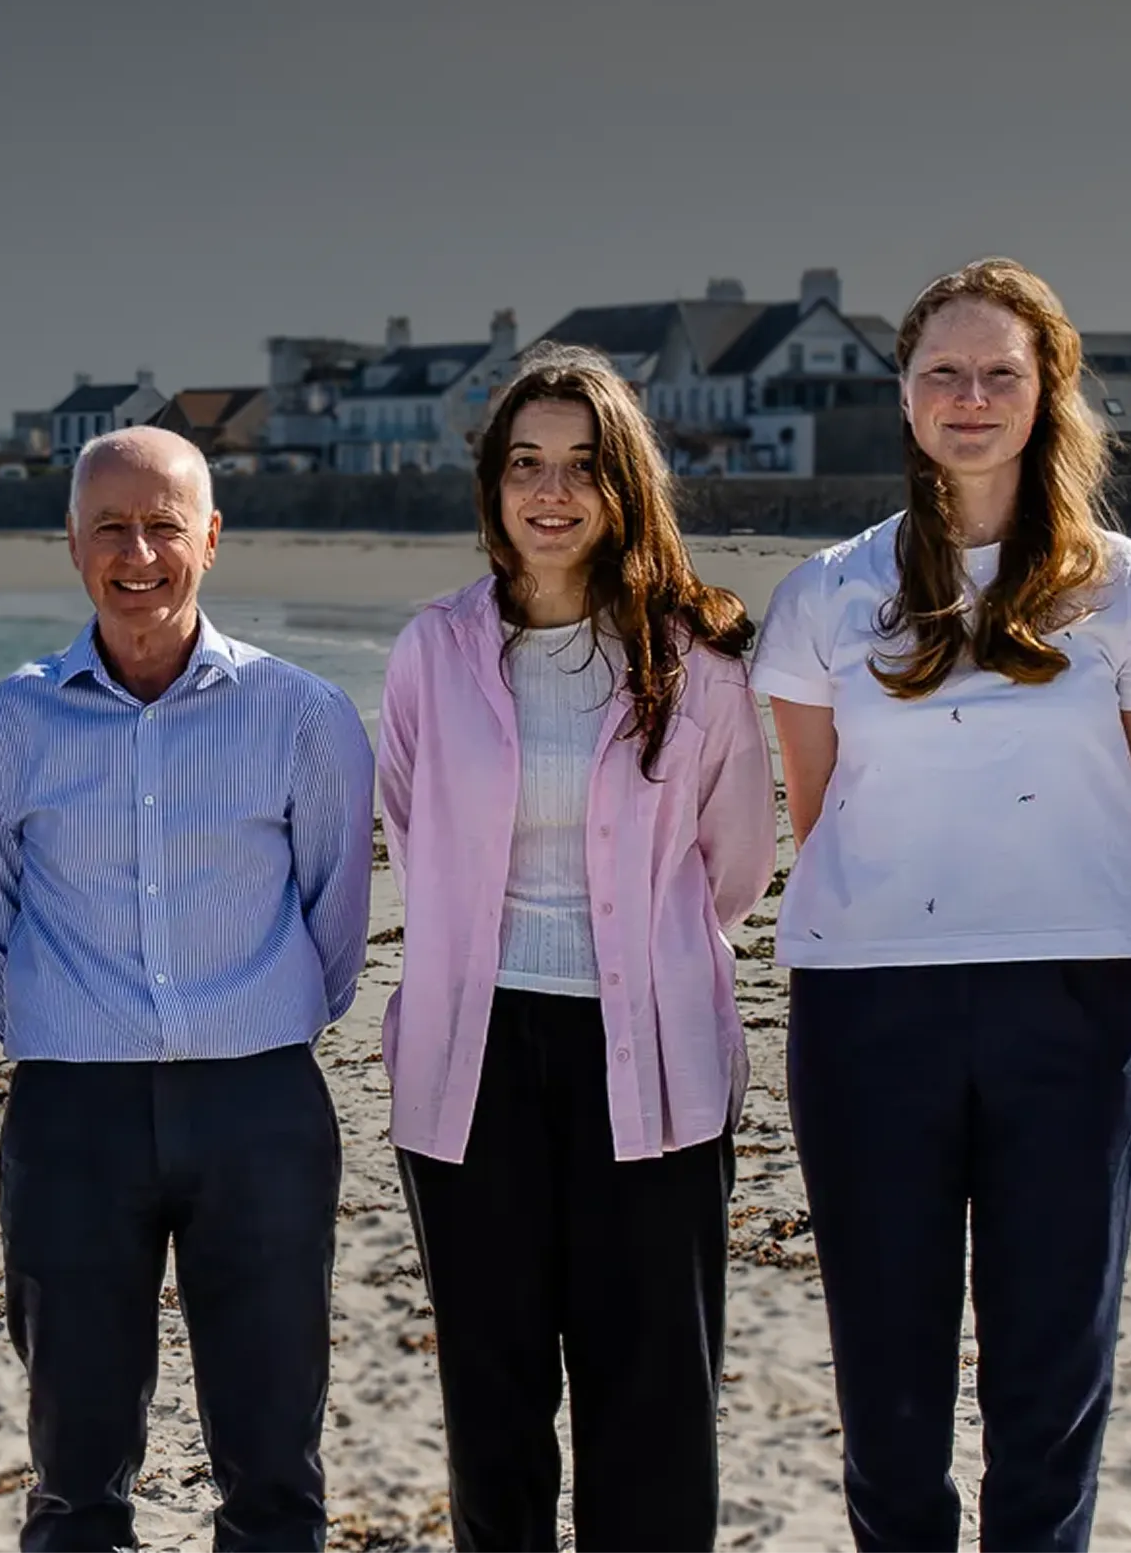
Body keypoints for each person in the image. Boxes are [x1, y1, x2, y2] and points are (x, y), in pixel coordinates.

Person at [753, 260, 1131, 1553]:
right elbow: (817, 800)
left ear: (1046, 390)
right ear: (904, 397)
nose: (971, 396)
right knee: (888, 1379)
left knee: (1053, 1368)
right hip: (867, 1006)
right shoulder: (828, 592)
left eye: (1001, 370)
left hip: (1075, 1003)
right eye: (944, 372)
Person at [0, 425, 377, 1553]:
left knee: (274, 1459)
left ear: (211, 540)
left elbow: (335, 919)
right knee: (75, 1470)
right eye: (109, 529)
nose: (136, 554)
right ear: (71, 545)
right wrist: (68, 1032)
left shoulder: (303, 716)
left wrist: (252, 1026)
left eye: (162, 527)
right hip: (70, 1118)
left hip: (261, 1111)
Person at [378, 346, 778, 1552]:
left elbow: (735, 863)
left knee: (652, 1401)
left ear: (625, 486)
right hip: (471, 1064)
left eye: (582, 467)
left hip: (650, 1058)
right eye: (524, 465)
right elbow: (407, 820)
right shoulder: (431, 652)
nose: (550, 492)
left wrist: (642, 968)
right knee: (492, 1402)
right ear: (492, 488)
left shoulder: (696, 664)